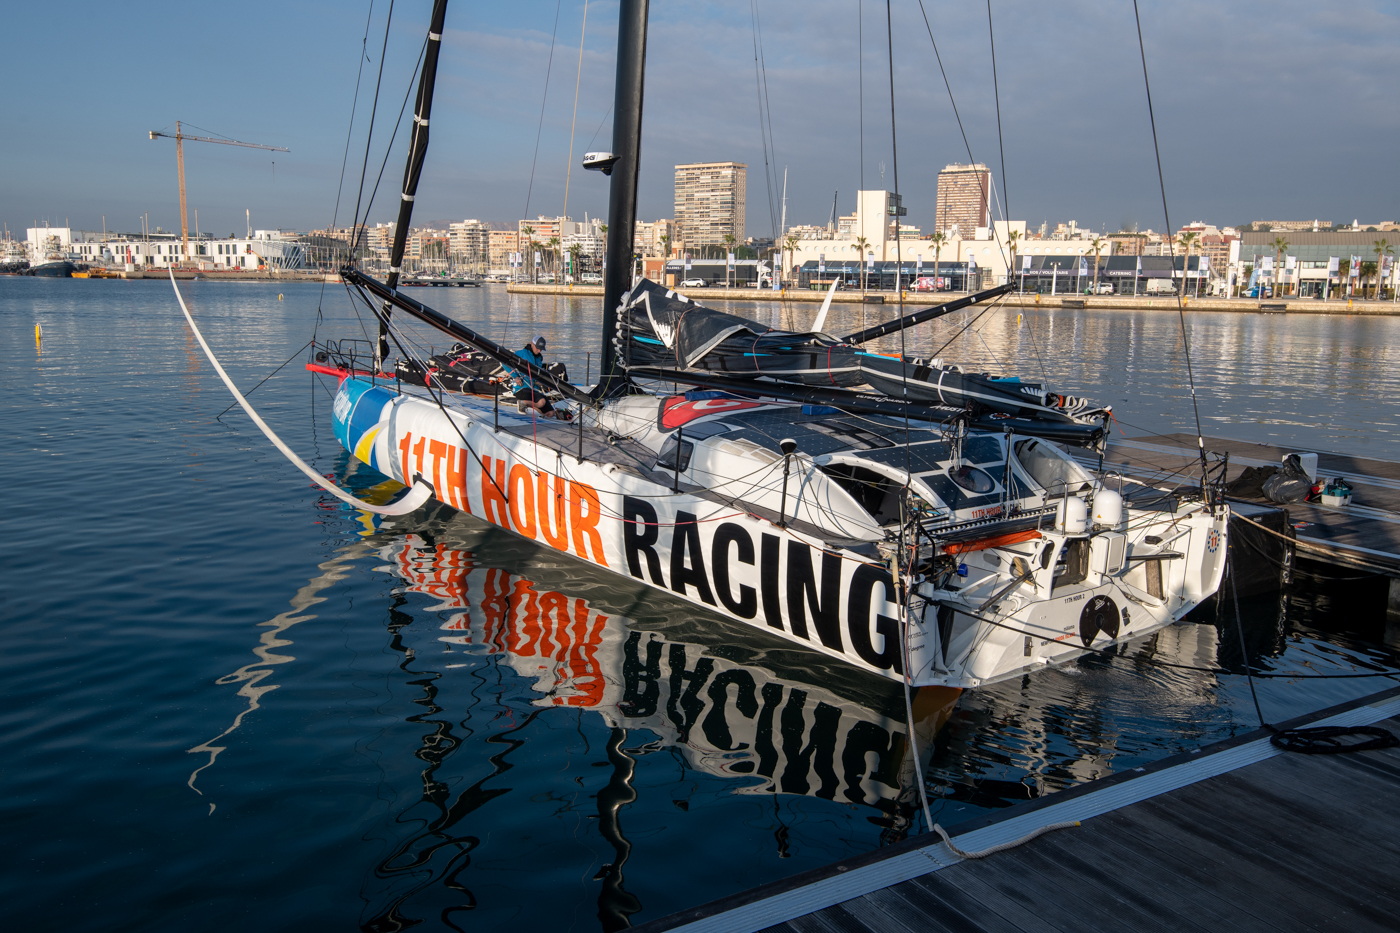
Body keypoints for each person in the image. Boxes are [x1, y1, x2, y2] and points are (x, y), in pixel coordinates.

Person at [508, 335, 571, 420]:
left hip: (534, 388)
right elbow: (505, 362)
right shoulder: (521, 353)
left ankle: (529, 405)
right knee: (541, 402)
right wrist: (515, 377)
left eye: (541, 349)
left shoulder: (539, 358)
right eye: (537, 348)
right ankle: (522, 402)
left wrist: (538, 381)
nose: (539, 350)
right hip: (522, 387)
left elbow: (537, 373)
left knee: (550, 413)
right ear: (532, 344)